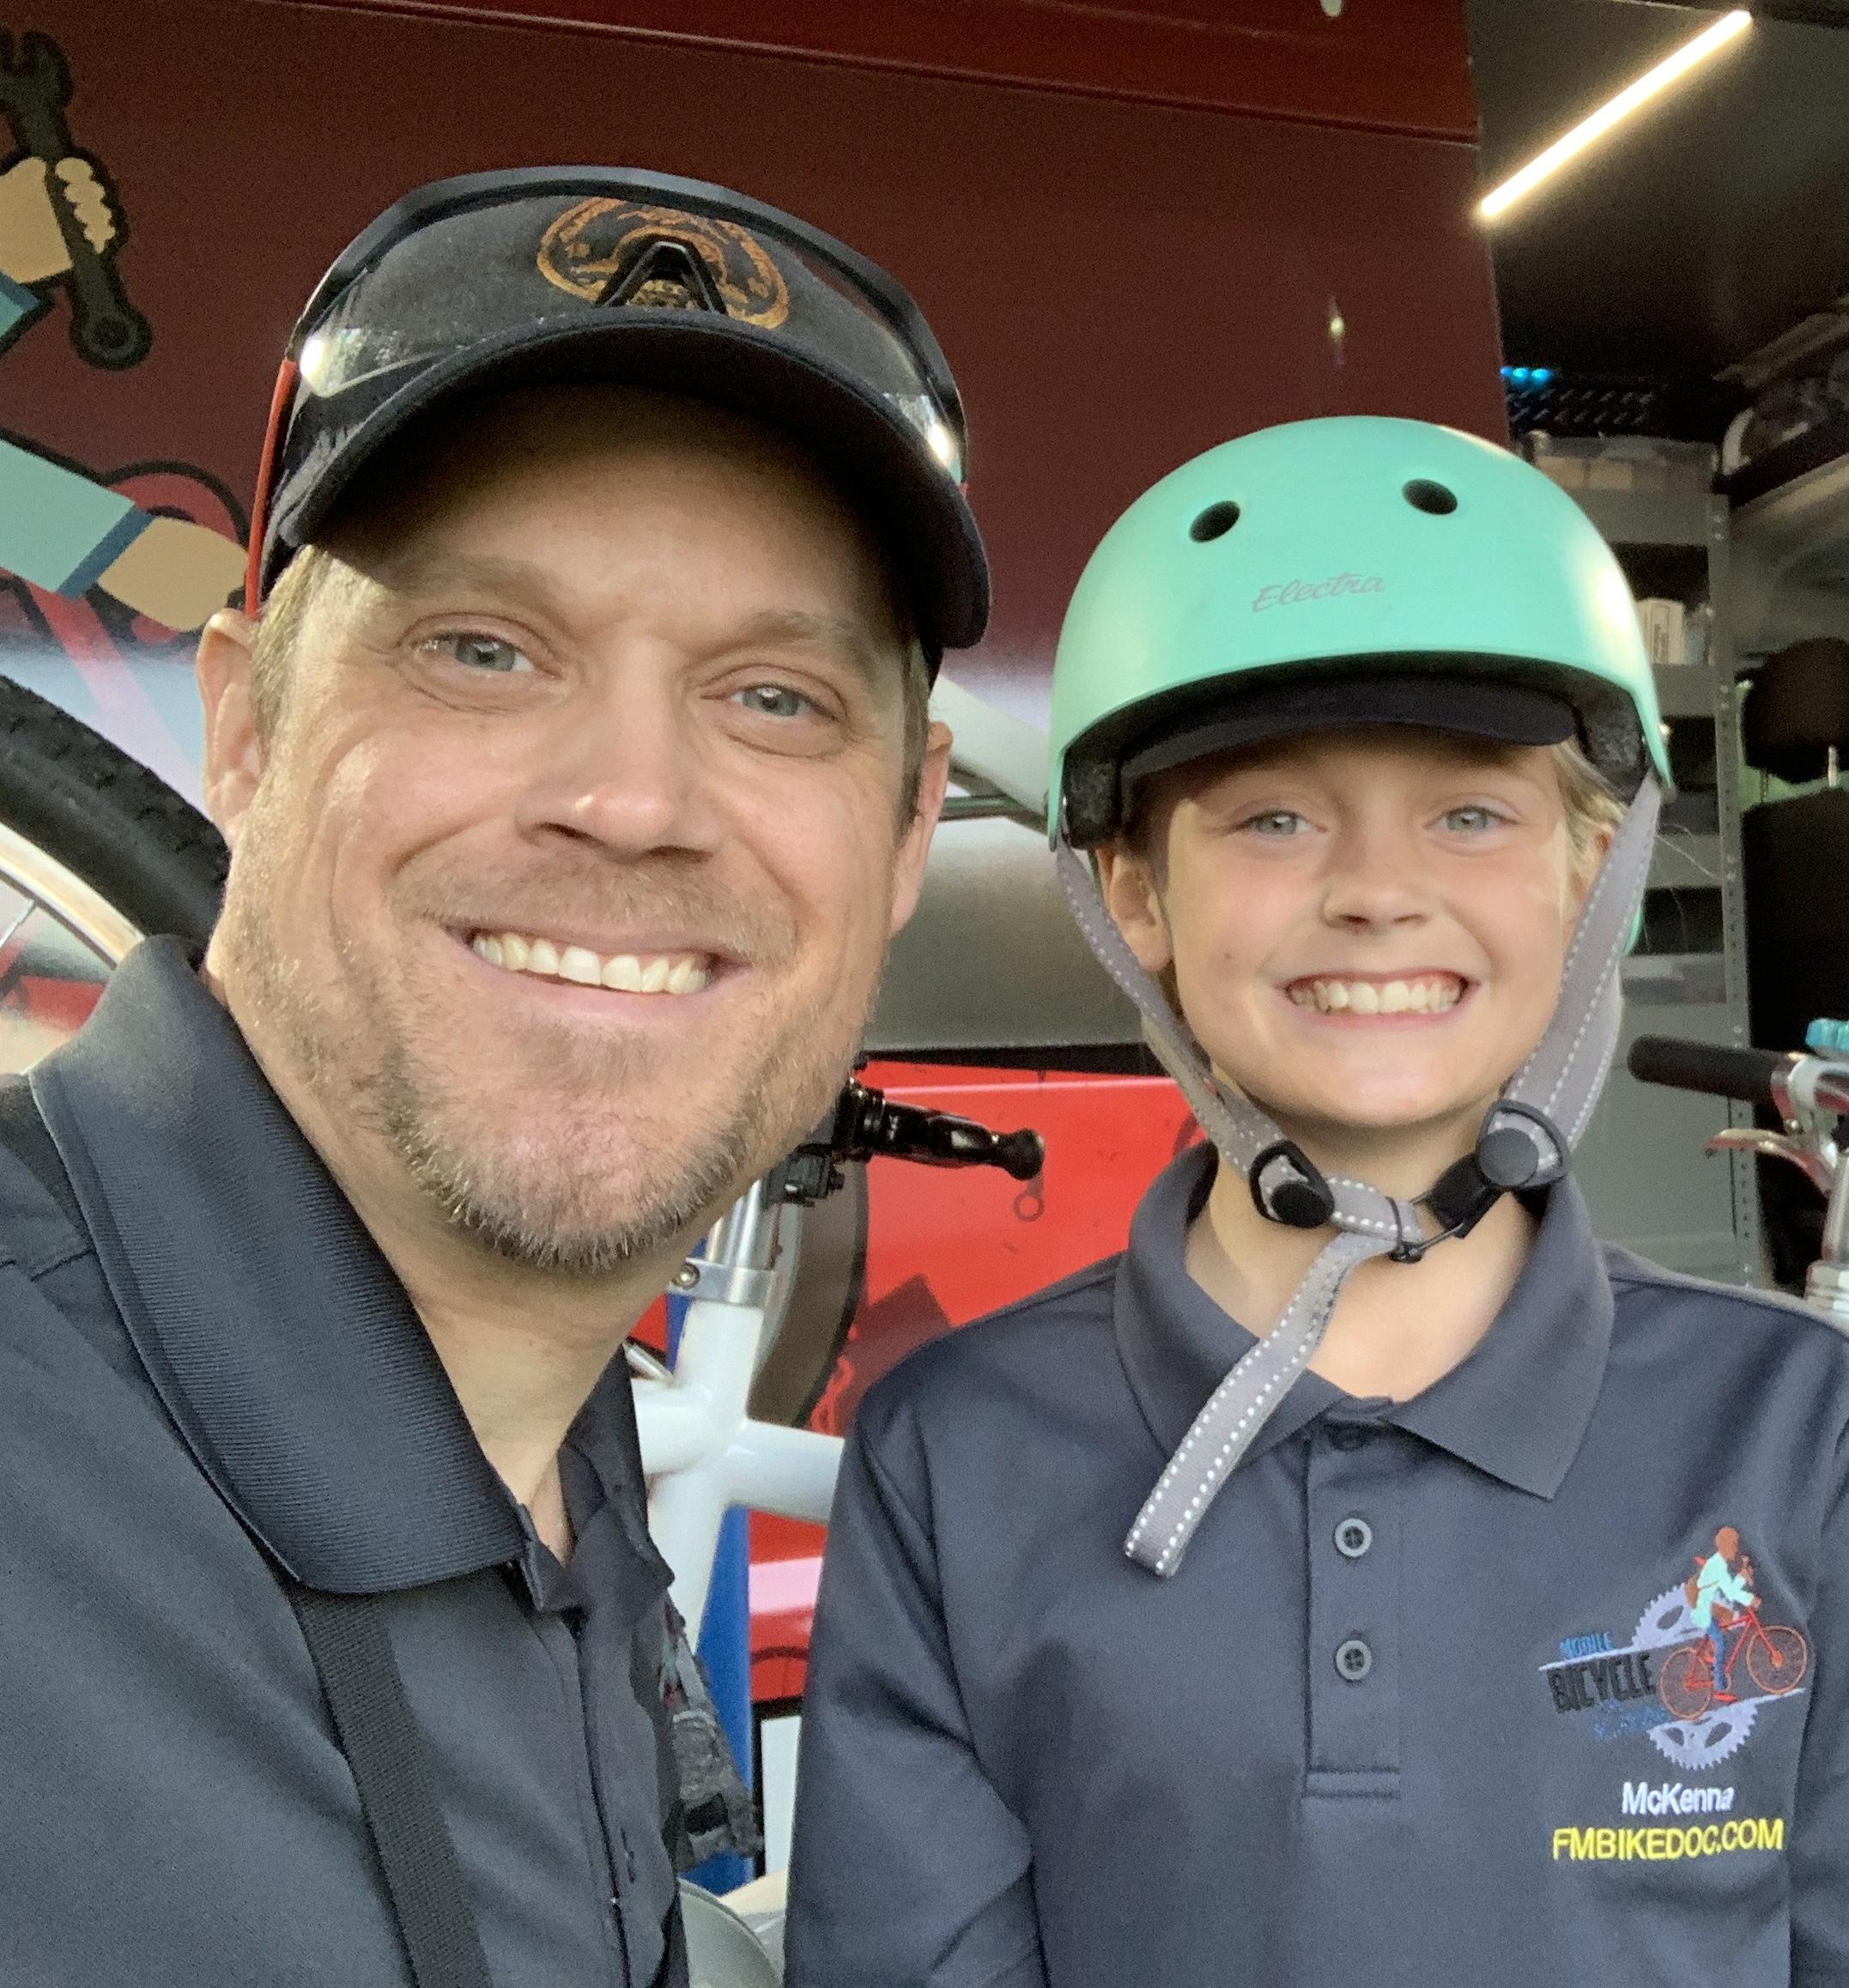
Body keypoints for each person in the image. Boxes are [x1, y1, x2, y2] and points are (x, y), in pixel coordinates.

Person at [0, 167, 987, 1986]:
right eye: (482, 651)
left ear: (910, 828)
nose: (633, 800)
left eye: (775, 695)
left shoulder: (550, 1451)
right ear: (247, 727)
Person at [788, 417, 1849, 1986]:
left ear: (1587, 876)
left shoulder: (1799, 1430)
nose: (1374, 891)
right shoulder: (955, 1450)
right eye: (1272, 817)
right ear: (1133, 893)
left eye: (1469, 813)